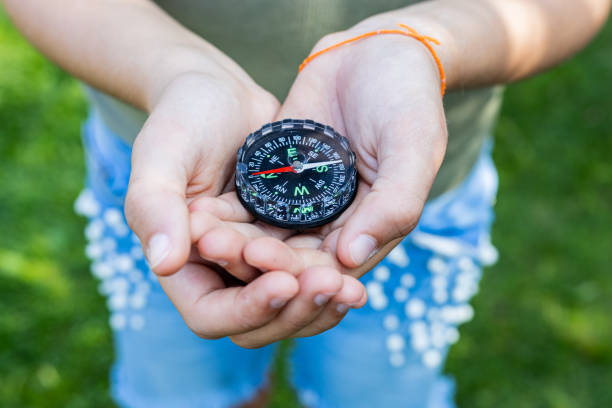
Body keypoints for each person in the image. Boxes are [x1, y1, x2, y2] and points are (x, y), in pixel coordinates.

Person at [3, 0, 609, 407]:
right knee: (184, 389)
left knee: (377, 393)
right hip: (166, 180)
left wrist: (418, 43)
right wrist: (176, 72)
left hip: (420, 187)